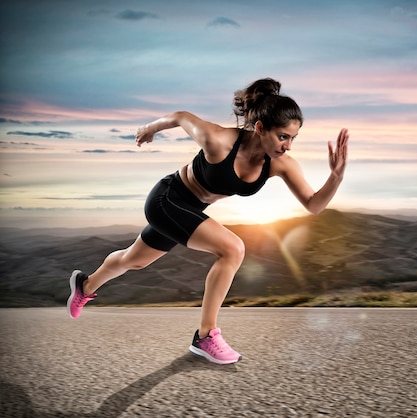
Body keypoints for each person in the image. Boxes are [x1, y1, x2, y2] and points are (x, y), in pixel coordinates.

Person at [66, 78, 349, 365]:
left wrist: (335, 177)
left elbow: (314, 205)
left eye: (292, 138)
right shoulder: (219, 140)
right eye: (282, 136)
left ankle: (85, 286)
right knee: (233, 248)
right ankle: (206, 336)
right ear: (261, 128)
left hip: (191, 209)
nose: (287, 146)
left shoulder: (280, 164)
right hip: (167, 198)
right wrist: (149, 129)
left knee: (134, 260)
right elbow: (180, 117)